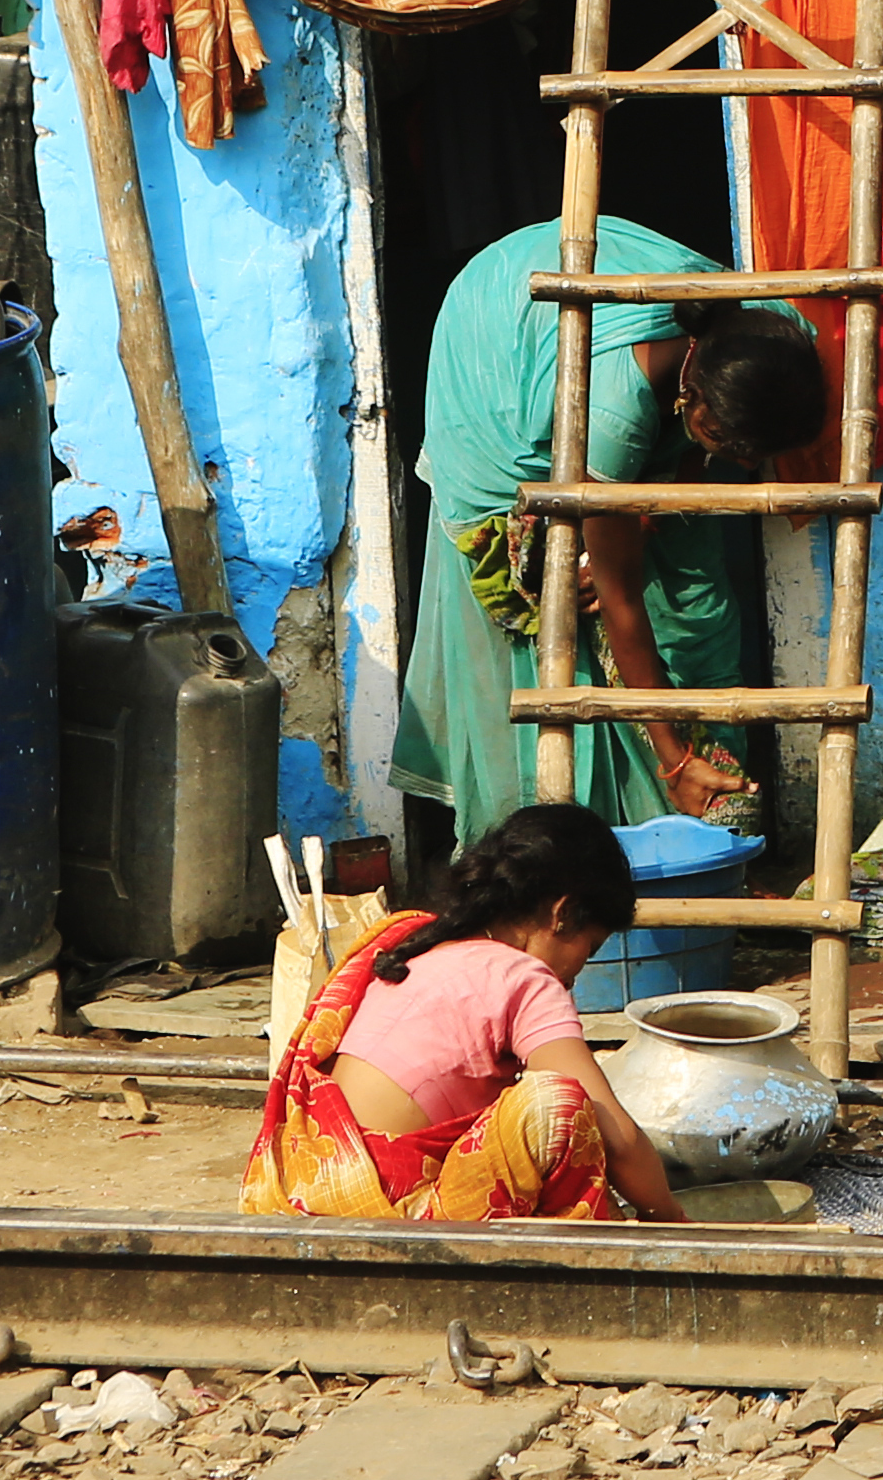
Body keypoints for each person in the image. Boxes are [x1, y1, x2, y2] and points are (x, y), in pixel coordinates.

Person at [393, 214, 834, 843]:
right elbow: (622, 600)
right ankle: (603, 828)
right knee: (576, 606)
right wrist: (671, 755)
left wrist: (665, 494)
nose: (740, 465)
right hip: (497, 361)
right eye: (725, 443)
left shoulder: (771, 339)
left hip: (594, 359)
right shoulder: (609, 414)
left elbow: (704, 465)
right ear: (693, 398)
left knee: (696, 606)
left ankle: (713, 825)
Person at [242, 801, 690, 1221]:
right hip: (387, 1206)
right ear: (563, 914)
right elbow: (620, 1140)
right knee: (559, 1107)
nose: (578, 971)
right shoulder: (524, 977)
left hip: (305, 1186)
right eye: (588, 948)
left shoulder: (416, 946)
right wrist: (673, 1221)